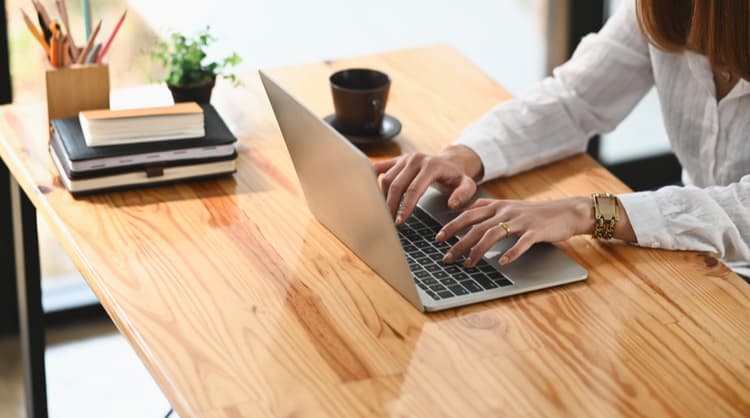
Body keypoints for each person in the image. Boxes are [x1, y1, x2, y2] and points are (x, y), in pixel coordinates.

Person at [374, 0, 750, 279]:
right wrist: (463, 155)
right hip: (701, 257)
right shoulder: (670, 7)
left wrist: (587, 212)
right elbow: (575, 99)